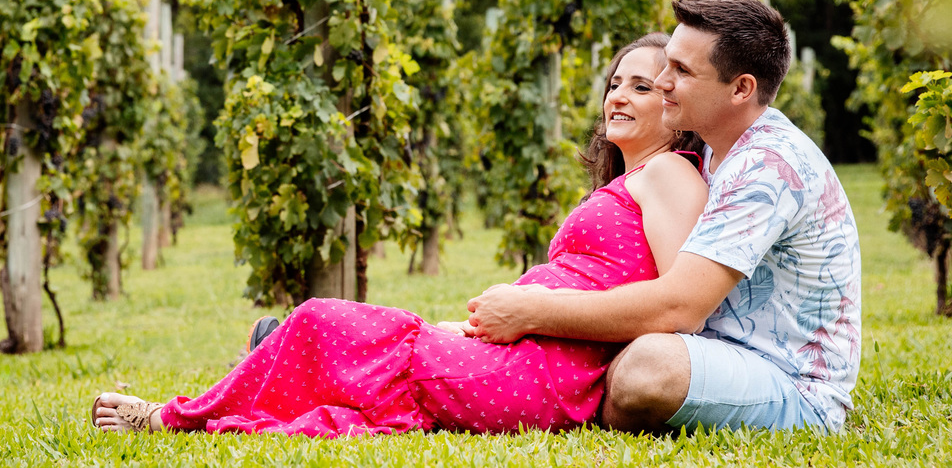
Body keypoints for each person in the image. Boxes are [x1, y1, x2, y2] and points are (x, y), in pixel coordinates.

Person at [91, 33, 709, 436]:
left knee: (321, 323)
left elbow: (677, 306)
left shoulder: (671, 173)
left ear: (675, 106)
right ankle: (262, 368)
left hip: (542, 374)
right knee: (352, 373)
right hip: (526, 357)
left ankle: (174, 416)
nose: (618, 96)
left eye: (642, 87)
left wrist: (531, 311)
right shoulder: (634, 180)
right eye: (615, 83)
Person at [467, 0, 862, 434]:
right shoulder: (714, 150)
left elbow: (680, 306)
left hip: (789, 383)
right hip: (713, 353)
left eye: (681, 71)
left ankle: (577, 398)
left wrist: (533, 311)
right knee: (635, 353)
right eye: (667, 64)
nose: (662, 81)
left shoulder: (768, 164)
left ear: (741, 89)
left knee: (648, 367)